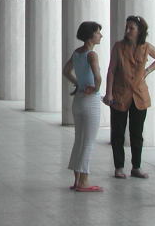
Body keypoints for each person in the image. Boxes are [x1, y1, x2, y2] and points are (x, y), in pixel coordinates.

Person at [102, 15, 155, 179]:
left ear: (139, 31)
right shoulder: (118, 47)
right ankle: (119, 167)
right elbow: (111, 70)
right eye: (127, 27)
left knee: (137, 133)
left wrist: (147, 71)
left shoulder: (146, 47)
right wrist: (109, 93)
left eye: (132, 28)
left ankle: (136, 166)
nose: (128, 31)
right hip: (119, 94)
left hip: (139, 96)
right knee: (118, 133)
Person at [63, 21, 104, 192]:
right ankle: (84, 181)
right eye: (98, 32)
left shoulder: (77, 53)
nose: (100, 35)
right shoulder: (91, 54)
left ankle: (77, 179)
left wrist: (78, 83)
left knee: (79, 140)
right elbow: (98, 77)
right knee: (88, 142)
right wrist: (96, 89)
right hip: (90, 101)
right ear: (90, 35)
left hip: (78, 100)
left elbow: (66, 71)